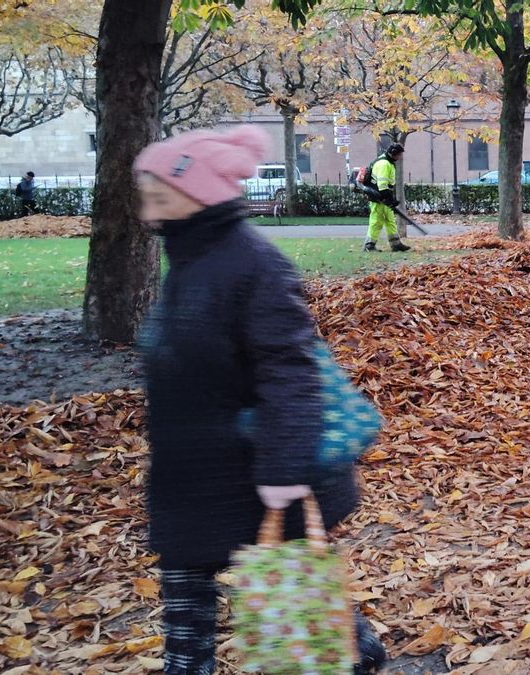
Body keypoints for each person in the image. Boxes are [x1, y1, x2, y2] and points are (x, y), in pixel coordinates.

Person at [133, 126, 386, 675]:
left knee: (292, 581)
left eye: (158, 186)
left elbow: (290, 370)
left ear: (195, 191)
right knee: (195, 588)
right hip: (195, 472)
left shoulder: (253, 263)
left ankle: (357, 652)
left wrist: (284, 468)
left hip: (258, 468)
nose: (147, 198)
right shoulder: (189, 255)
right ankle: (354, 651)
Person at [362, 143, 410, 252]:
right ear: (393, 154)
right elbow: (382, 185)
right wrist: (389, 199)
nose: (400, 157)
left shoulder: (387, 161)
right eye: (399, 155)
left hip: (381, 197)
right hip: (377, 198)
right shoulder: (384, 164)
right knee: (376, 221)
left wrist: (390, 199)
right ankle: (369, 245)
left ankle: (396, 244)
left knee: (389, 220)